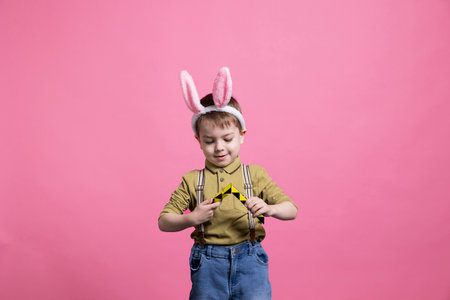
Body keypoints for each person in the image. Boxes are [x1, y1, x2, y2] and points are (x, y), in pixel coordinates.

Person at [158, 67, 297, 300]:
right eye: (210, 141)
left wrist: (270, 209)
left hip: (250, 259)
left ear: (242, 135)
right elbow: (164, 221)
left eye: (228, 138)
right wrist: (191, 218)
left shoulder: (255, 175)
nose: (219, 147)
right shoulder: (192, 181)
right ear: (198, 141)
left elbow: (291, 210)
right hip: (208, 264)